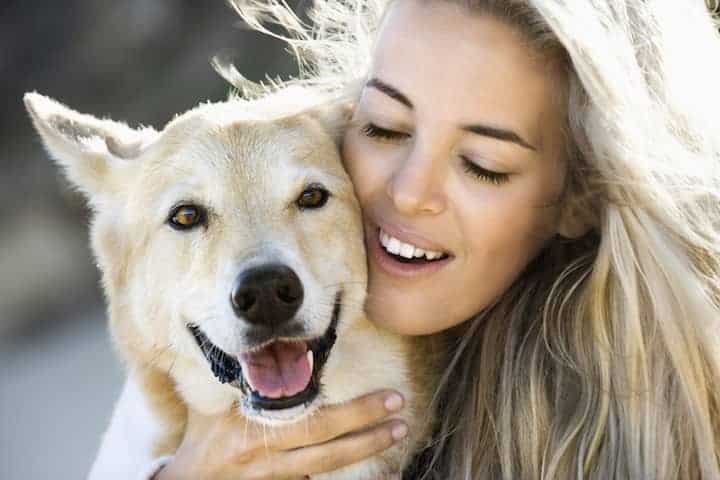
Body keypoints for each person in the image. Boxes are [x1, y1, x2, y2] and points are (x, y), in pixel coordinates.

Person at [89, 0, 720, 478]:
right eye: (385, 128)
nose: (408, 192)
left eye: (483, 164)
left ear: (581, 198)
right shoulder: (207, 350)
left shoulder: (656, 416)